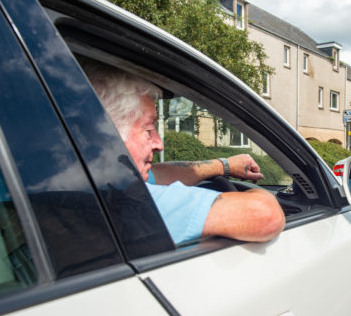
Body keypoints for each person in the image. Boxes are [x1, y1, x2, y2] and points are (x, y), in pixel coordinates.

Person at [85, 62, 285, 244]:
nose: (159, 144)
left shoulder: (86, 183)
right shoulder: (133, 201)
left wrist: (224, 165)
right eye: (148, 130)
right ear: (110, 136)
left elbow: (158, 174)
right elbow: (265, 215)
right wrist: (258, 193)